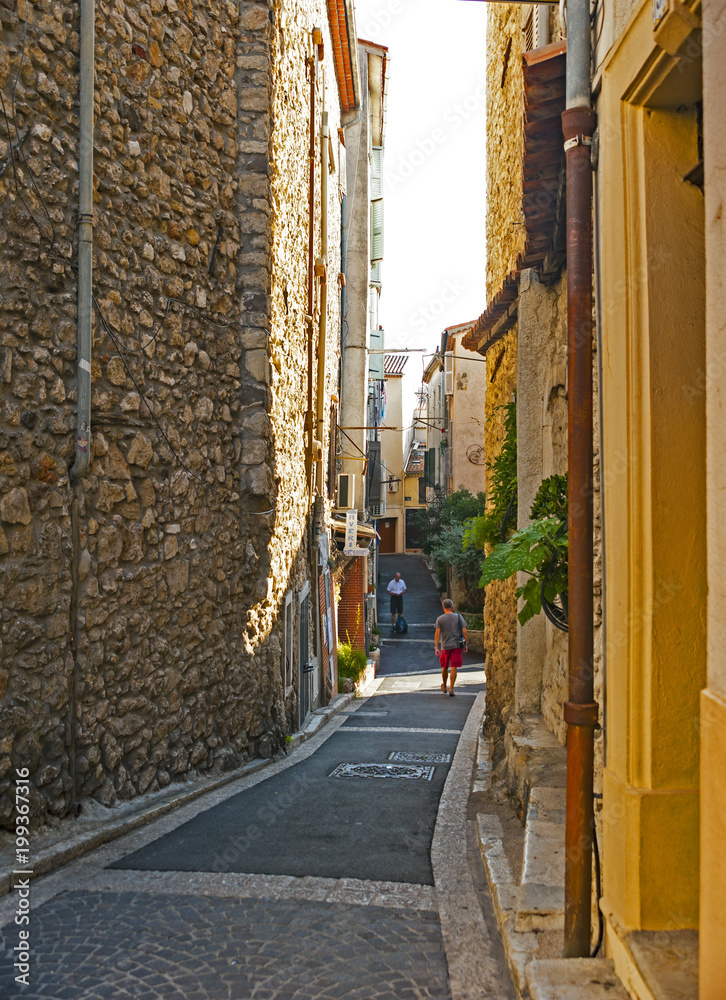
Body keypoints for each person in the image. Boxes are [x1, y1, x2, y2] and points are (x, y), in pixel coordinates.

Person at [434, 598, 468, 696]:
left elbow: (437, 633)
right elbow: (465, 631)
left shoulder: (440, 619)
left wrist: (436, 647)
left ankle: (444, 686)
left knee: (444, 666)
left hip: (445, 646)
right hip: (456, 645)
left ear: (443, 607)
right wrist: (466, 644)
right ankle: (451, 689)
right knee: (454, 667)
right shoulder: (458, 617)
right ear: (452, 607)